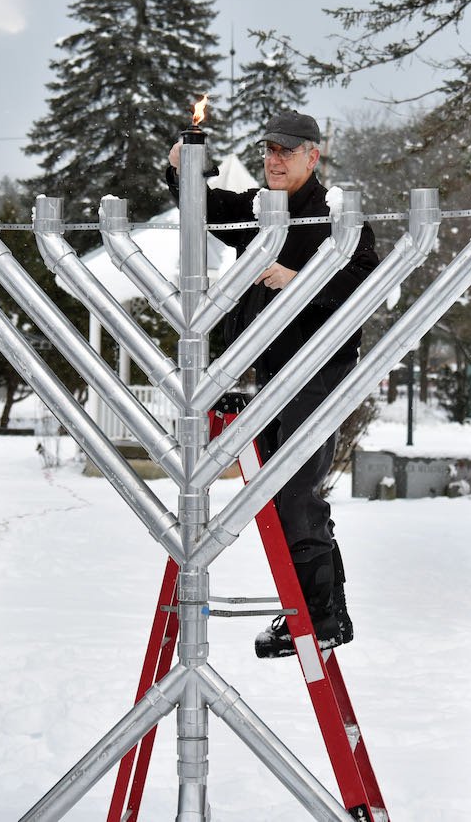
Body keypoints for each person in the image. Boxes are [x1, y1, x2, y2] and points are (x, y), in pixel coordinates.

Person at [167, 110, 380, 653]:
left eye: (287, 151)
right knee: (277, 492)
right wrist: (183, 172)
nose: (274, 160)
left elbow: (367, 284)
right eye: (269, 150)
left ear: (313, 156)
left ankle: (320, 615)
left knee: (292, 489)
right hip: (270, 372)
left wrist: (300, 281)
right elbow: (209, 212)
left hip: (318, 369)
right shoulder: (262, 208)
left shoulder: (338, 216)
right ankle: (318, 610)